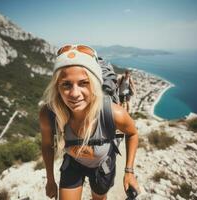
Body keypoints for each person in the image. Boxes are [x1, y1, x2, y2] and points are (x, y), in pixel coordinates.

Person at [39, 44, 139, 200]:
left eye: (83, 83)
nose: (74, 94)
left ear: (95, 84)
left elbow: (132, 133)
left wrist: (129, 172)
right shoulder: (49, 114)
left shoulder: (113, 113)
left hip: (102, 166)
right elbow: (46, 144)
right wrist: (50, 179)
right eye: (66, 84)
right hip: (73, 163)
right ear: (57, 87)